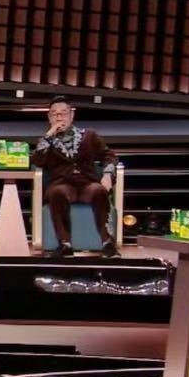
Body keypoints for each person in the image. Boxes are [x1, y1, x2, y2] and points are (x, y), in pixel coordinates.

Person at [35, 95, 119, 259]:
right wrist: (49, 135)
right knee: (57, 193)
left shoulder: (89, 135)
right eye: (54, 114)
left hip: (87, 183)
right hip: (62, 184)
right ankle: (64, 244)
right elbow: (38, 160)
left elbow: (109, 156)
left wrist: (108, 174)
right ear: (49, 117)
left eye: (63, 113)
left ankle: (108, 243)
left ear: (72, 115)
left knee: (99, 191)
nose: (59, 117)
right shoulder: (46, 141)